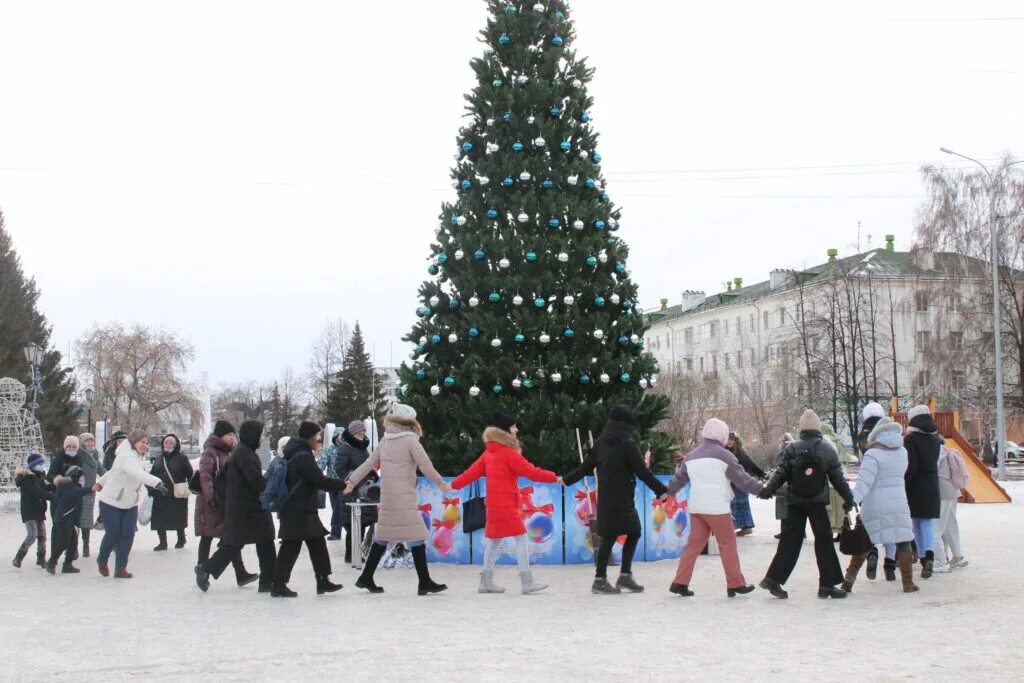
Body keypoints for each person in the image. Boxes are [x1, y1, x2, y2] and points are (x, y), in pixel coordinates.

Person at [345, 403, 453, 595]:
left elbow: (369, 463)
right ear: (407, 422)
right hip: (404, 496)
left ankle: (366, 577)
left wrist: (352, 481)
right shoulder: (411, 441)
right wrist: (441, 483)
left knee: (383, 536)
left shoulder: (385, 441)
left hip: (388, 496)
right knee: (417, 535)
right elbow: (425, 465)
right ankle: (424, 582)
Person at [562, 405, 668, 595]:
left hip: (608, 497)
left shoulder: (602, 442)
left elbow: (585, 468)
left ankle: (622, 576)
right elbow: (642, 472)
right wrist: (661, 490)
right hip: (623, 497)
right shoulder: (628, 444)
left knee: (626, 533)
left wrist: (566, 480)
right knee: (622, 535)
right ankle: (602, 579)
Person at [451, 412, 559, 594]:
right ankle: (527, 581)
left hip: (494, 504)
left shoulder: (489, 453)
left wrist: (452, 485)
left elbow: (471, 472)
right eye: (514, 426)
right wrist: (555, 478)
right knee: (521, 538)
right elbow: (530, 471)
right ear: (506, 430)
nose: (516, 429)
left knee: (494, 542)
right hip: (506, 504)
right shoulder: (508, 453)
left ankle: (485, 581)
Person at [758, 409, 854, 599]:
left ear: (801, 429)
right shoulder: (827, 449)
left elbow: (781, 473)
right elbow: (838, 479)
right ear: (817, 428)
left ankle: (773, 578)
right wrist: (848, 499)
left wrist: (768, 490)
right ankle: (827, 584)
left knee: (789, 541)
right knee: (824, 541)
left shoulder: (791, 449)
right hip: (817, 502)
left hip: (795, 501)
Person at [665, 418, 764, 598]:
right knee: (727, 544)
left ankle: (680, 582)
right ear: (722, 435)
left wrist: (668, 492)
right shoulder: (725, 456)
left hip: (697, 507)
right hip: (717, 507)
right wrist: (762, 490)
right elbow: (743, 480)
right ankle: (735, 584)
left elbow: (679, 479)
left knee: (694, 544)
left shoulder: (692, 456)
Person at [196, 420, 277, 594]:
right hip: (246, 508)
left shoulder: (242, 452)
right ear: (253, 435)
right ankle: (206, 568)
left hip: (243, 507)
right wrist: (273, 482)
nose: (262, 438)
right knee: (243, 542)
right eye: (261, 434)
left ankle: (267, 580)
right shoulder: (245, 454)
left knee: (250, 542)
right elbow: (255, 481)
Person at [270, 421, 348, 598]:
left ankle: (323, 580)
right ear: (311, 437)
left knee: (317, 544)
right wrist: (342, 484)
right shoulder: (303, 456)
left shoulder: (298, 453)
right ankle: (278, 585)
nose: (320, 439)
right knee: (290, 547)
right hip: (298, 510)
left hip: (301, 508)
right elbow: (319, 480)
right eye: (318, 435)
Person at [840, 418, 918, 593]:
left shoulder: (872, 454)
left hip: (876, 504)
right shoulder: (903, 452)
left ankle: (848, 581)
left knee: (864, 541)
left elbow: (864, 482)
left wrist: (852, 499)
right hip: (899, 502)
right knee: (903, 540)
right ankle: (908, 583)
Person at [93, 429, 168, 578]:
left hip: (130, 503)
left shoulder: (135, 456)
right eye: (142, 442)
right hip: (111, 501)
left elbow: (113, 471)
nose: (145, 445)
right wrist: (157, 482)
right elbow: (136, 473)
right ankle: (102, 559)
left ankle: (120, 568)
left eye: (147, 443)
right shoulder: (126, 456)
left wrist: (101, 481)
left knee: (128, 535)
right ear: (134, 442)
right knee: (113, 533)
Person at [904, 405, 942, 578]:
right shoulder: (936, 440)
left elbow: (911, 466)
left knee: (915, 522)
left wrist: (904, 480)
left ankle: (921, 557)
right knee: (926, 522)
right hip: (932, 484)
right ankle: (929, 557)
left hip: (915, 485)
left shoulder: (910, 439)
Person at [334, 420, 378, 564]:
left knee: (363, 523)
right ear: (352, 434)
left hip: (365, 490)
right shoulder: (344, 448)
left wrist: (371, 474)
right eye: (359, 434)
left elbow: (366, 466)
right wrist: (354, 478)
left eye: (363, 433)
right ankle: (352, 554)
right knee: (353, 524)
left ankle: (355, 552)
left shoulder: (363, 448)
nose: (362, 435)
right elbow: (340, 468)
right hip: (351, 490)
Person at [857, 402, 887, 580]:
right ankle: (892, 562)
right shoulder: (889, 433)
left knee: (869, 522)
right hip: (889, 485)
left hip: (870, 485)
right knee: (892, 524)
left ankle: (872, 551)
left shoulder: (864, 435)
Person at [150, 434, 194, 551]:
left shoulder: (182, 458)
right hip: (160, 493)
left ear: (176, 445)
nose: (168, 445)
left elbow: (190, 474)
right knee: (160, 519)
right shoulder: (159, 458)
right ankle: (162, 542)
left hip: (176, 494)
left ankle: (181, 538)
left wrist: (193, 487)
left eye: (171, 443)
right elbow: (151, 475)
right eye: (166, 443)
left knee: (178, 517)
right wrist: (151, 490)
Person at [932, 438, 969, 573]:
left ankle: (941, 560)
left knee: (936, 527)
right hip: (953, 491)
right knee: (950, 524)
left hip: (942, 492)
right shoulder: (949, 452)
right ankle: (959, 556)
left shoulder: (936, 453)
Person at [46, 466, 92, 575]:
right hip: (63, 519)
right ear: (75, 475)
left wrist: (77, 521)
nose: (83, 478)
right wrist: (91, 489)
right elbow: (75, 493)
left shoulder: (74, 486)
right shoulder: (67, 485)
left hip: (70, 520)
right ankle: (52, 561)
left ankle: (67, 564)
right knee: (62, 542)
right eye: (81, 476)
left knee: (73, 543)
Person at [45, 436, 83, 565]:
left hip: (73, 498)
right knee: (59, 528)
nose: (71, 449)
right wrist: (57, 479)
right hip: (59, 498)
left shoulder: (79, 459)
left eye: (74, 447)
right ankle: (53, 557)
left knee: (72, 529)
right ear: (65, 447)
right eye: (69, 447)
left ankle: (68, 560)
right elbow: (50, 475)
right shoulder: (58, 458)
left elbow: (81, 477)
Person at [12, 453, 55, 569]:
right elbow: (37, 492)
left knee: (42, 535)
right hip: (29, 511)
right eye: (39, 464)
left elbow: (47, 488)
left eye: (42, 463)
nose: (41, 466)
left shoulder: (40, 477)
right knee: (32, 534)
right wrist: (53, 497)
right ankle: (18, 557)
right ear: (33, 465)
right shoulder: (27, 479)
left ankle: (41, 559)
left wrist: (58, 487)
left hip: (39, 510)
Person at [726, 431, 763, 537]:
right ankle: (731, 526)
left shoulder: (740, 452)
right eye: (728, 439)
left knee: (742, 505)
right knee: (731, 505)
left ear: (736, 441)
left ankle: (746, 527)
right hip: (729, 483)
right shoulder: (723, 451)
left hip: (740, 483)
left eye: (732, 440)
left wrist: (762, 474)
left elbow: (751, 465)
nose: (729, 441)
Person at [75, 433, 105, 558]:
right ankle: (73, 547)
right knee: (76, 519)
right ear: (82, 443)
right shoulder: (79, 455)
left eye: (92, 441)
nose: (90, 443)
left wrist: (111, 477)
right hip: (79, 491)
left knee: (86, 519)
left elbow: (101, 469)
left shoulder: (94, 455)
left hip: (90, 490)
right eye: (87, 441)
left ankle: (85, 546)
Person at [772, 433, 795, 539]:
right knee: (791, 508)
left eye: (781, 441)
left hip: (784, 484)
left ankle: (785, 531)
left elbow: (780, 468)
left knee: (783, 508)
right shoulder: (794, 451)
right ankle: (798, 531)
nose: (779, 443)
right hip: (791, 485)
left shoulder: (784, 452)